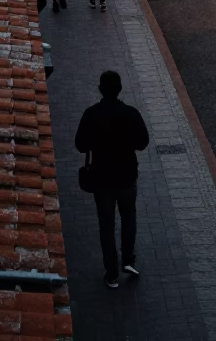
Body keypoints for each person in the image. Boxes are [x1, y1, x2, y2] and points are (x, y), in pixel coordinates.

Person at [74, 71, 149, 288]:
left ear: (100, 89)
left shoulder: (91, 114)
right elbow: (142, 142)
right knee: (129, 218)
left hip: (102, 178)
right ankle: (128, 260)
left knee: (106, 225)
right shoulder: (131, 113)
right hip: (127, 176)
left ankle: (112, 272)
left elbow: (80, 145)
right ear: (120, 89)